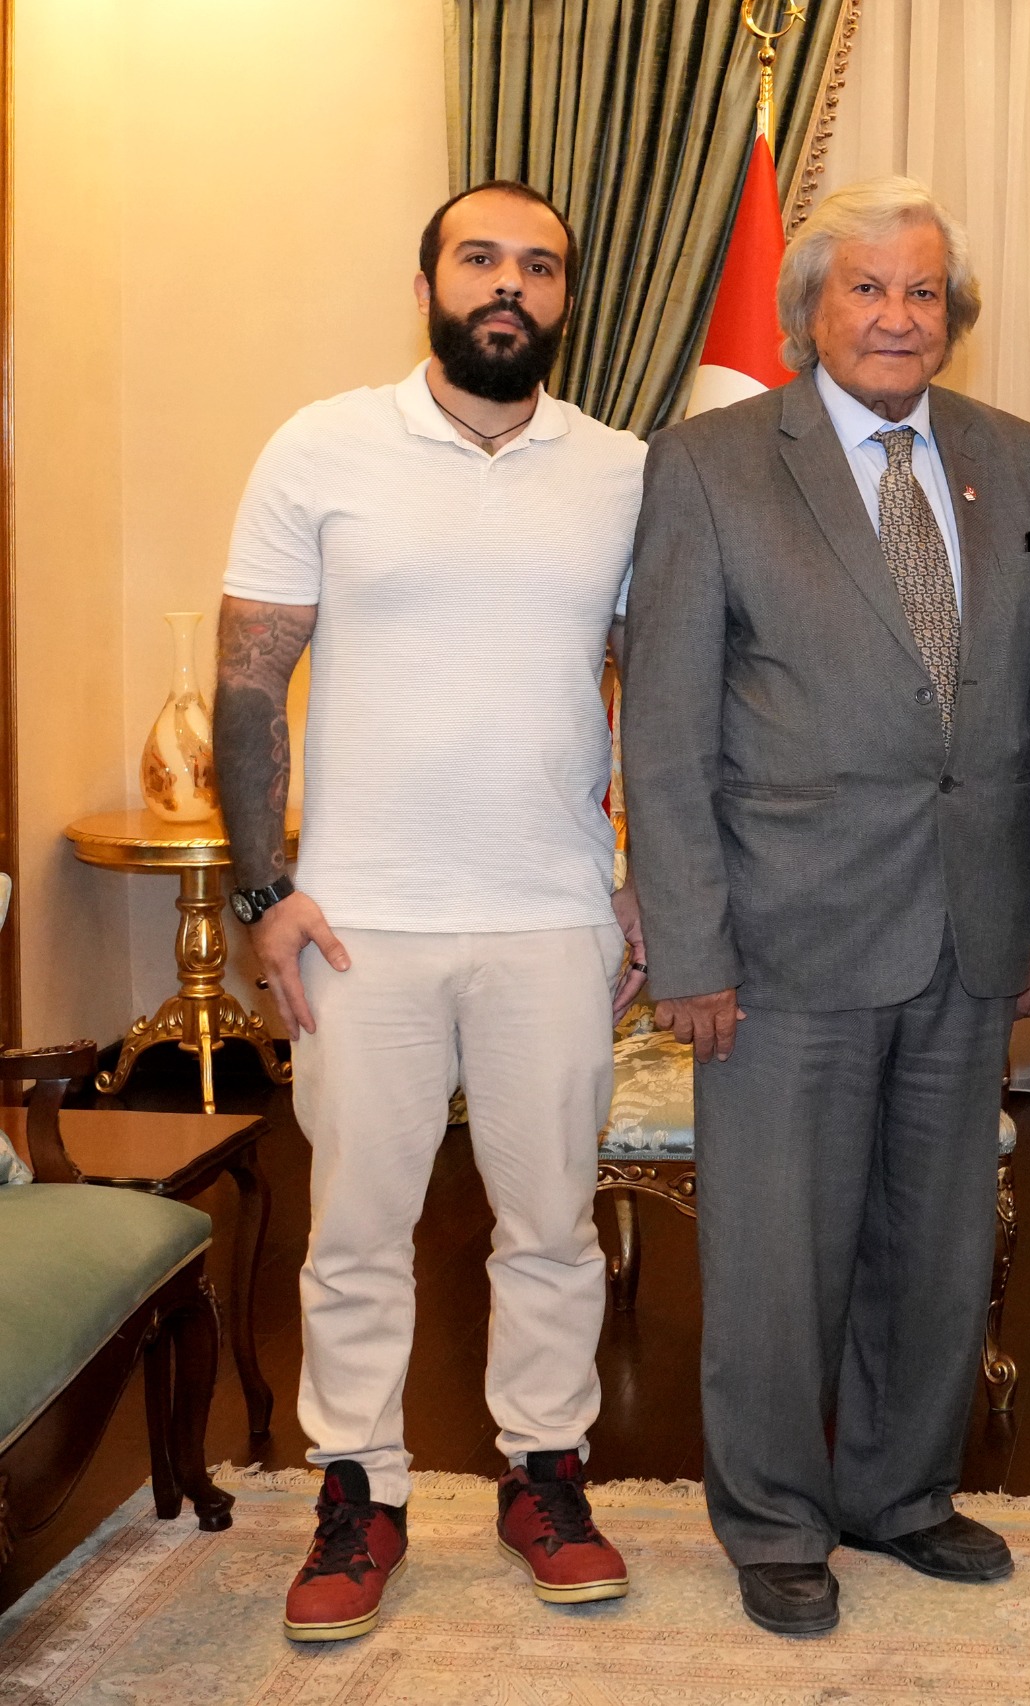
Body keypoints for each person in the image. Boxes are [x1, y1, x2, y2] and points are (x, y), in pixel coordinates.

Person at [621, 177, 1030, 1639]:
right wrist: (689, 946)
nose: (897, 316)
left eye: (923, 292)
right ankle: (772, 1518)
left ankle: (902, 1494)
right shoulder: (710, 464)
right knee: (776, 1257)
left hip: (968, 924)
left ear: (956, 316)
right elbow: (665, 729)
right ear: (809, 309)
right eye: (867, 289)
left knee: (937, 1243)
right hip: (781, 940)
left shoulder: (1021, 458)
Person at [216, 180, 648, 1643]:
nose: (508, 285)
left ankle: (546, 1478)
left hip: (554, 915)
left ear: (566, 300)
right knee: (355, 1227)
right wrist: (263, 890)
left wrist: (646, 879)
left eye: (539, 266)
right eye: (480, 259)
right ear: (427, 288)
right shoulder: (319, 445)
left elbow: (657, 688)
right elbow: (248, 680)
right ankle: (360, 1494)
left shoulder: (623, 470)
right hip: (360, 925)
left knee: (552, 1225)